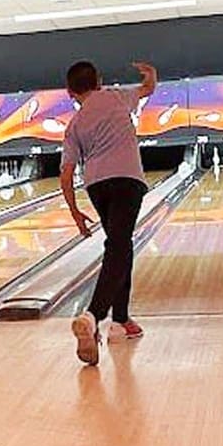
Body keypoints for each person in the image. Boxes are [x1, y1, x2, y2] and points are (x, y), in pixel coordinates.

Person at [60, 59, 157, 365]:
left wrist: (75, 211)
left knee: (119, 244)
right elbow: (147, 89)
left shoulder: (74, 125)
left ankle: (121, 322)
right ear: (99, 81)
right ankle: (93, 316)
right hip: (127, 179)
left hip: (97, 186)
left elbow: (66, 173)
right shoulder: (116, 96)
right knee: (119, 245)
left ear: (70, 93)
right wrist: (151, 76)